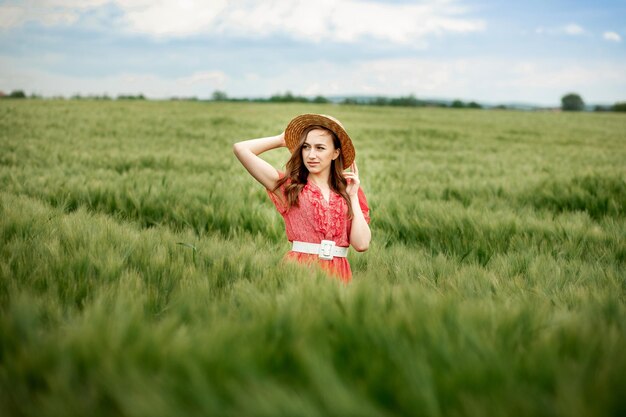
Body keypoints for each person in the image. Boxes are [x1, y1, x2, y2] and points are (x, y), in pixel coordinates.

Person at [233, 113, 371, 282]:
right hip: (299, 272)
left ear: (335, 153)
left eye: (320, 148)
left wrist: (353, 197)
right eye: (306, 147)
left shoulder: (350, 191)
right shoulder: (288, 187)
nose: (311, 155)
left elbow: (362, 244)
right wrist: (281, 140)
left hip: (338, 275)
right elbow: (241, 149)